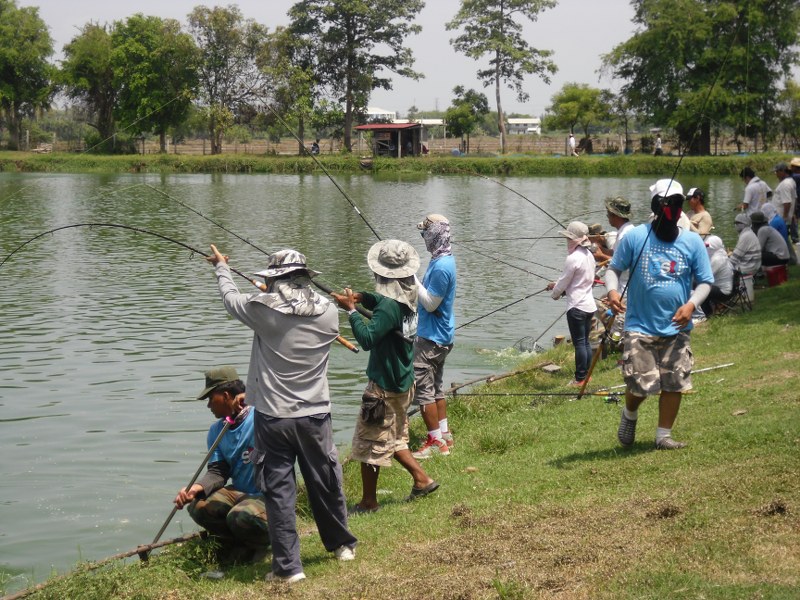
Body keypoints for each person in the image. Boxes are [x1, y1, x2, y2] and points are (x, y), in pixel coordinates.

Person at [207, 245, 357, 583]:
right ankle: (341, 546)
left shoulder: (262, 310)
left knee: (279, 491)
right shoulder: (329, 312)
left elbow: (231, 300)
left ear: (275, 280)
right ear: (305, 278)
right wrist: (271, 295)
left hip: (274, 417)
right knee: (325, 482)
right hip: (316, 414)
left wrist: (221, 267)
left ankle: (289, 568)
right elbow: (293, 308)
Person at [606, 178, 713, 450]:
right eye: (666, 204)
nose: (672, 209)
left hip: (676, 327)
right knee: (641, 384)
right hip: (640, 325)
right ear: (655, 206)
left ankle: (663, 435)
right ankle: (630, 413)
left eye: (676, 204)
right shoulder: (635, 237)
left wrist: (691, 305)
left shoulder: (691, 242)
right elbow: (613, 269)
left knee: (675, 383)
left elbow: (704, 281)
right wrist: (613, 292)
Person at [332, 240, 439, 511]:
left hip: (384, 387)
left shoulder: (389, 308)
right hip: (404, 380)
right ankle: (422, 479)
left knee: (369, 442)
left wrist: (351, 311)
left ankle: (369, 502)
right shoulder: (410, 294)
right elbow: (383, 301)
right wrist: (362, 297)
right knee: (394, 438)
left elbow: (367, 339)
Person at [174, 366, 270, 564]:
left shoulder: (261, 416)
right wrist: (196, 488)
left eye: (211, 398)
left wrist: (251, 396)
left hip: (269, 494)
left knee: (240, 516)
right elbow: (218, 472)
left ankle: (265, 545)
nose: (209, 405)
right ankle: (236, 545)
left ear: (226, 395)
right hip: (241, 492)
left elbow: (277, 396)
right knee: (198, 506)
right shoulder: (217, 431)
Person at [412, 214, 457, 458]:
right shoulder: (441, 258)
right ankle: (444, 435)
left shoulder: (441, 267)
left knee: (424, 391)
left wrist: (412, 278)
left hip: (432, 338)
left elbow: (430, 304)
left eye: (425, 234)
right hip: (440, 334)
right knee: (437, 388)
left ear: (435, 234)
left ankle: (435, 443)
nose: (423, 238)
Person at [547, 222, 597, 386]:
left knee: (579, 343)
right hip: (589, 306)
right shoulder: (589, 255)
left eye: (568, 238)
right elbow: (576, 281)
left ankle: (579, 379)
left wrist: (555, 293)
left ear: (574, 240)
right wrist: (558, 286)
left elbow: (564, 283)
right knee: (586, 342)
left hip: (576, 307)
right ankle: (586, 376)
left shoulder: (572, 258)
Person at [699, 236, 734, 318]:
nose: (707, 249)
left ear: (714, 247)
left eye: (708, 247)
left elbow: (707, 276)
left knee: (700, 287)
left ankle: (707, 314)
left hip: (723, 292)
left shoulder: (717, 259)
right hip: (725, 288)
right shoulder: (721, 254)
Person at [771, 162, 798, 264]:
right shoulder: (791, 181)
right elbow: (795, 199)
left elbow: (787, 203)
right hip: (784, 218)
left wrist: (784, 218)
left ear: (782, 171)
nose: (776, 174)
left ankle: (790, 259)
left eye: (776, 172)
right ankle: (791, 259)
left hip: (781, 218)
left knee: (782, 239)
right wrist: (793, 214)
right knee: (784, 238)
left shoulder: (785, 184)